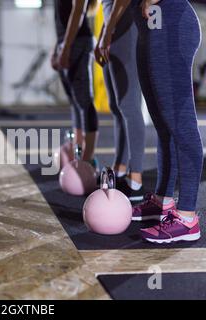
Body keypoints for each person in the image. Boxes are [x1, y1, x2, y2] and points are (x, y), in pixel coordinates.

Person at [98, 0, 203, 243]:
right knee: (164, 126)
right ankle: (162, 201)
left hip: (170, 23)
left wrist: (108, 29)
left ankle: (187, 217)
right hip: (151, 28)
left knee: (180, 123)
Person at [95, 0, 145, 201]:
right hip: (113, 30)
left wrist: (107, 33)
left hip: (125, 29)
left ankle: (136, 181)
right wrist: (102, 36)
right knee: (117, 107)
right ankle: (121, 167)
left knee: (129, 105)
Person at [51, 0, 99, 166]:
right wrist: (56, 47)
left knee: (84, 100)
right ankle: (78, 149)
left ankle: (88, 157)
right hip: (66, 42)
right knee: (75, 102)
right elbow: (61, 20)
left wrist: (66, 47)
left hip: (77, 42)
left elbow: (77, 12)